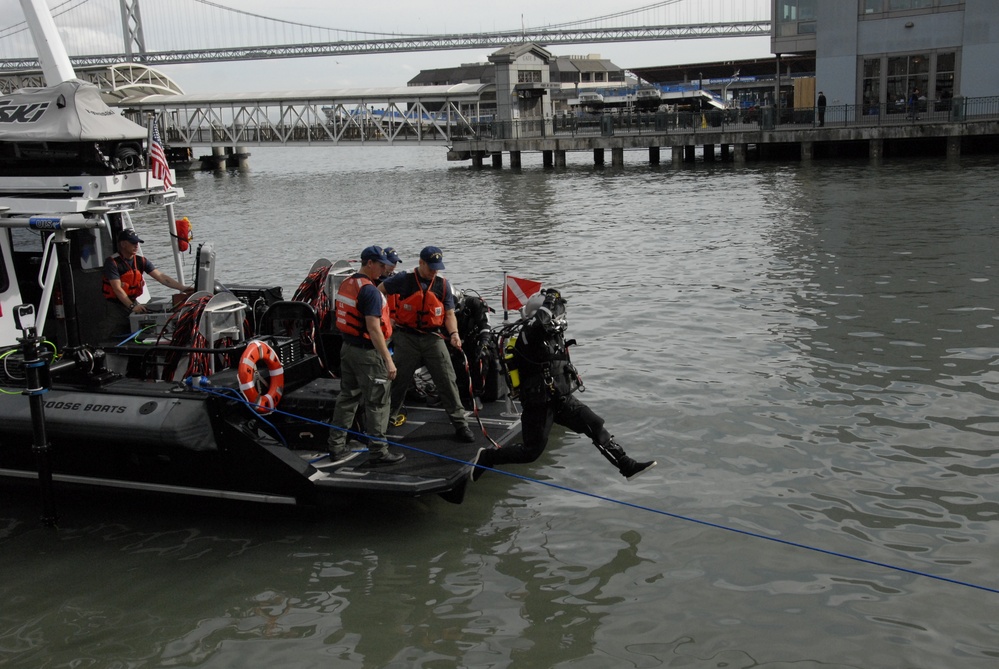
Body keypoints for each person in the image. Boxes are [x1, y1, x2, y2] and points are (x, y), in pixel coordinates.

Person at [473, 288, 656, 481]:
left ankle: (627, 466)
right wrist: (549, 302)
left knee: (594, 424)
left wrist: (555, 303)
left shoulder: (552, 335)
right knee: (531, 452)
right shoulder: (529, 334)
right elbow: (538, 324)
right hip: (539, 402)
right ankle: (487, 457)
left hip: (560, 397)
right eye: (556, 314)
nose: (560, 319)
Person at [379, 246, 475, 443]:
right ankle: (386, 421)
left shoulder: (443, 286)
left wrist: (454, 334)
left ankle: (460, 424)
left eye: (437, 268)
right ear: (420, 263)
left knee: (447, 379)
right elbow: (379, 292)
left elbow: (449, 315)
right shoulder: (403, 280)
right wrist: (386, 318)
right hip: (406, 338)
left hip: (433, 338)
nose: (434, 272)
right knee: (398, 381)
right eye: (431, 267)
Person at [326, 245, 403, 466]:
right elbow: (374, 328)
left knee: (347, 398)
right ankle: (379, 451)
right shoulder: (370, 291)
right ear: (369, 263)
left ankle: (336, 446)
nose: (383, 269)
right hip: (368, 355)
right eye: (380, 265)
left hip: (348, 349)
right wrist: (388, 359)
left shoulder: (348, 283)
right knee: (378, 402)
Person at [101, 228, 192, 340]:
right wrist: (132, 306)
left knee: (136, 330)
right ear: (123, 244)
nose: (136, 246)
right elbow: (117, 289)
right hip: (115, 306)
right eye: (133, 243)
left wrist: (183, 288)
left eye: (137, 243)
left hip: (132, 301)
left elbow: (161, 277)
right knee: (114, 333)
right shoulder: (112, 263)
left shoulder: (141, 261)